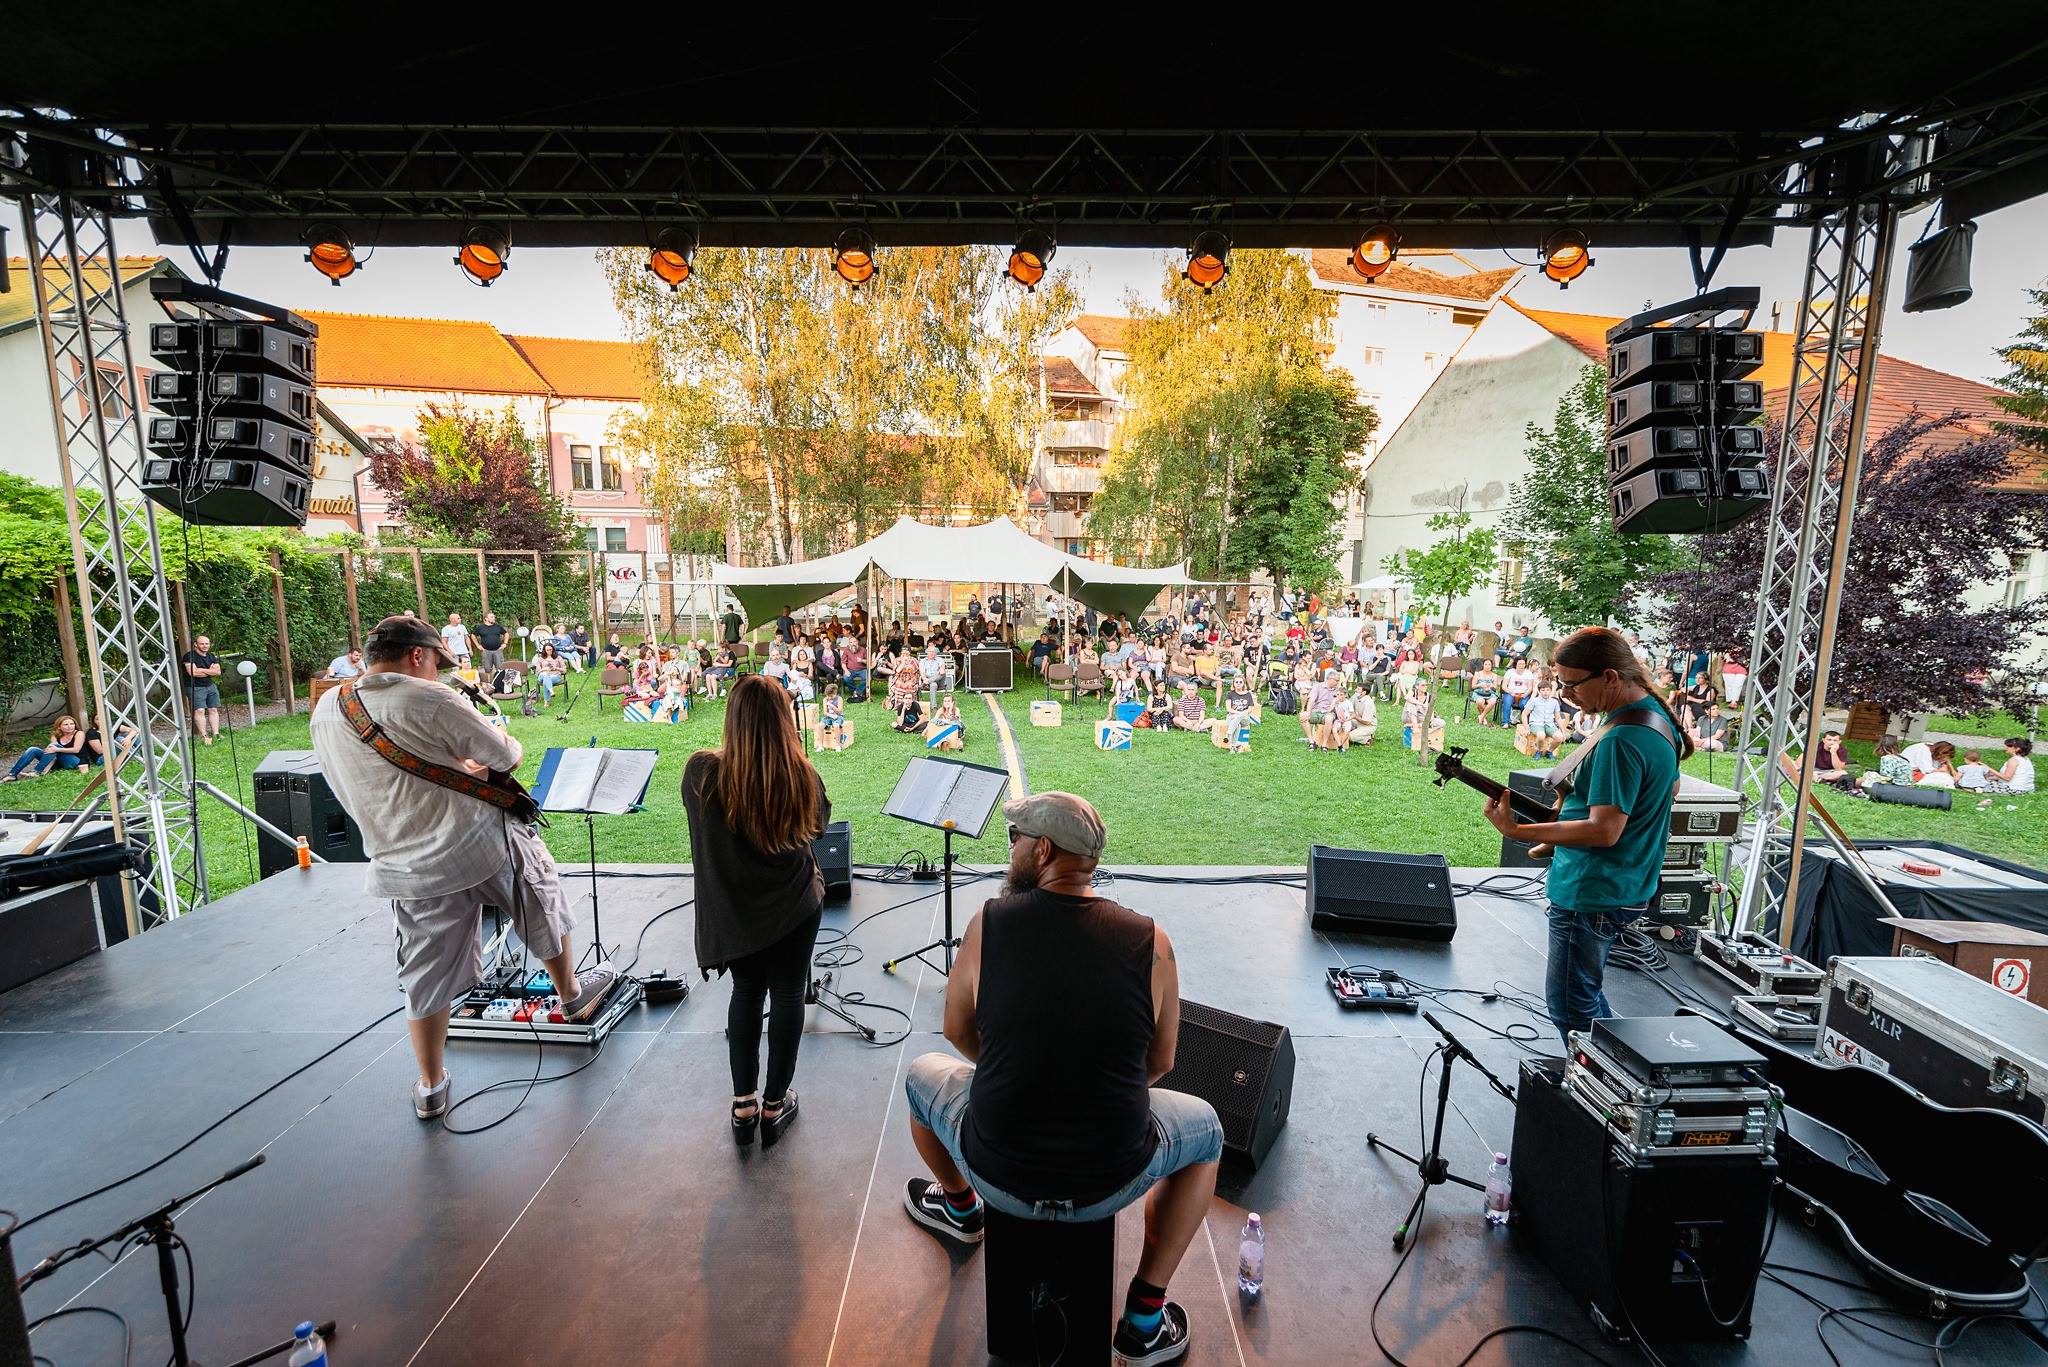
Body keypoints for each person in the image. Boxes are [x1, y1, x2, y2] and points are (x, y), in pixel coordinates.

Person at [900, 792, 1222, 1367]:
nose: (1012, 852)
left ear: (1042, 850)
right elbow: (1162, 1061)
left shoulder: (988, 924)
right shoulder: (1154, 941)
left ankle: (964, 1208)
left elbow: (954, 1030)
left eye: (1015, 841)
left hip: (999, 1170)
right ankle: (1144, 1319)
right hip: (1109, 1182)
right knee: (1209, 1134)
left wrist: (1006, 1064)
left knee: (922, 1078)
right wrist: (1098, 1083)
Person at [309, 615, 617, 1120]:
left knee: (423, 972)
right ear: (417, 655)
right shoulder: (429, 698)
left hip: (405, 862)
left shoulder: (328, 708)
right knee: (539, 898)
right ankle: (570, 997)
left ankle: (430, 1084)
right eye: (436, 662)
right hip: (479, 840)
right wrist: (474, 766)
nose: (437, 672)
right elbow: (505, 754)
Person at [1482, 626, 1689, 1046]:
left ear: (1611, 677)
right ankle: (1621, 1072)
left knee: (1572, 1006)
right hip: (1626, 883)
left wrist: (1516, 829)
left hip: (1592, 890)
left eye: (1573, 683)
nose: (1565, 693)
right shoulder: (1652, 715)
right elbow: (1670, 786)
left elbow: (1604, 829)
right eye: (1559, 682)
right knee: (1587, 997)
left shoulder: (1622, 738)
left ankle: (1605, 1093)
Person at [682, 674, 831, 1148]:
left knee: (746, 992)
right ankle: (774, 1105)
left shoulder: (701, 774)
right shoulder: (802, 775)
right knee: (788, 995)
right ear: (785, 720)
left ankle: (743, 1106)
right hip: (794, 907)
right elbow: (819, 827)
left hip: (737, 913)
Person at [3, 715, 88, 781]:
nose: (70, 726)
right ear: (59, 727)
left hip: (75, 762)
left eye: (72, 724)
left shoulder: (79, 733)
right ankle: (12, 775)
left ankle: (37, 772)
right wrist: (46, 769)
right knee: (33, 749)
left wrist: (57, 749)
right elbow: (52, 753)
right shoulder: (55, 735)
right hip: (58, 764)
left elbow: (76, 749)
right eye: (66, 724)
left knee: (55, 747)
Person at [181, 634, 224, 745]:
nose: (205, 646)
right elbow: (193, 673)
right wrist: (208, 671)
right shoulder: (189, 656)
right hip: (195, 687)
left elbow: (218, 672)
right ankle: (204, 736)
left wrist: (201, 670)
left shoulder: (211, 656)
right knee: (199, 710)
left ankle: (216, 734)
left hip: (210, 685)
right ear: (195, 644)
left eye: (207, 643)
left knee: (213, 709)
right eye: (202, 643)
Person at [1521, 683, 1566, 760]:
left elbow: (1558, 718)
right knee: (1541, 735)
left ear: (1551, 691)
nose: (1545, 692)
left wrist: (1563, 732)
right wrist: (1526, 728)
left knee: (1560, 737)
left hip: (1549, 724)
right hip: (1536, 724)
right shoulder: (1534, 701)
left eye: (1548, 690)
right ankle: (1539, 750)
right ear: (1539, 691)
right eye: (1543, 690)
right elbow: (1524, 714)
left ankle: (1549, 751)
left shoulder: (1554, 702)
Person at [1501, 659, 1538, 727]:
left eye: (1523, 664)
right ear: (1516, 664)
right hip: (1511, 692)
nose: (1521, 666)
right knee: (1507, 702)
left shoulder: (1528, 673)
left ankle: (1524, 722)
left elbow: (1530, 687)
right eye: (1519, 664)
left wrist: (1526, 694)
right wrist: (1510, 691)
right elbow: (1504, 686)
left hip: (1524, 693)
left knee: (1524, 704)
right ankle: (1505, 722)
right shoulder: (1510, 672)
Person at [1469, 661, 1501, 727]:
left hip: (1490, 693)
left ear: (1491, 666)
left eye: (1489, 665)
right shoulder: (1477, 674)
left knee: (1493, 701)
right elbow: (1473, 686)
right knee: (1480, 702)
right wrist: (1480, 685)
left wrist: (1491, 686)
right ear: (1483, 665)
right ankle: (1484, 718)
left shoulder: (1494, 675)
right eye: (1486, 664)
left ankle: (1482, 716)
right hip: (1479, 692)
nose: (1487, 666)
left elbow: (1495, 687)